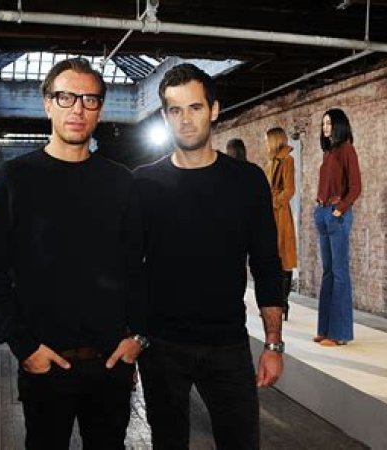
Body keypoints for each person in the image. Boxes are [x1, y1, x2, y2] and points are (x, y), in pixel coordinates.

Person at [0, 58, 145, 450]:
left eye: (89, 99)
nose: (78, 109)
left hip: (111, 364)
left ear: (100, 109)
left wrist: (138, 336)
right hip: (45, 363)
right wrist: (24, 347)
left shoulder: (121, 181)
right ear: (47, 104)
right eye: (66, 97)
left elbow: (139, 267)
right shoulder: (15, 177)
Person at [134, 63, 283, 449]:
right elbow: (128, 267)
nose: (185, 120)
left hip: (227, 343)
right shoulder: (143, 183)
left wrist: (273, 344)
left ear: (214, 110)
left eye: (195, 107)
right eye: (175, 110)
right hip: (162, 346)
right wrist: (132, 335)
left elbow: (267, 264)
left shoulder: (247, 181)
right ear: (165, 116)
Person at [313, 108, 361, 347]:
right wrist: (320, 210)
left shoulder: (346, 150)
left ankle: (339, 333)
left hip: (337, 215)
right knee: (328, 273)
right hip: (323, 213)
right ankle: (325, 329)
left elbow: (355, 187)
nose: (325, 127)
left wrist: (339, 209)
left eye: (329, 123)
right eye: (323, 123)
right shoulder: (329, 152)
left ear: (339, 125)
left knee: (340, 273)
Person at [265, 127, 297, 321]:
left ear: (274, 140)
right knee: (271, 256)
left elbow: (290, 190)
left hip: (281, 214)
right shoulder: (271, 162)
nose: (265, 144)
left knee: (284, 256)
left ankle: (283, 302)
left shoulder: (287, 160)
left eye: (267, 140)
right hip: (269, 214)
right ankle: (274, 301)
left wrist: (274, 202)